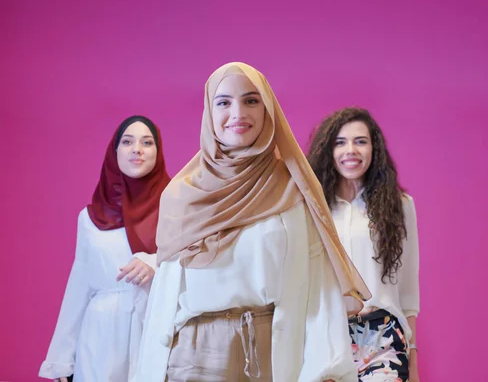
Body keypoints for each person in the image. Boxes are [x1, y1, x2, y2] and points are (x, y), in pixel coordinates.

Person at [135, 62, 371, 382]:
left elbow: (318, 286)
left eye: (251, 100)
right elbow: (164, 297)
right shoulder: (180, 195)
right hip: (187, 358)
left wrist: (325, 368)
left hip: (267, 355)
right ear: (209, 111)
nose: (238, 113)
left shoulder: (291, 188)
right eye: (223, 102)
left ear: (267, 109)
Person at [39, 116, 171, 382]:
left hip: (156, 326)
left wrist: (157, 262)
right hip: (101, 336)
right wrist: (62, 359)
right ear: (115, 152)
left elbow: (196, 263)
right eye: (127, 141)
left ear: (158, 153)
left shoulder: (177, 207)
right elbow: (79, 286)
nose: (137, 149)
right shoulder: (89, 219)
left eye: (147, 142)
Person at [307, 107, 421, 382]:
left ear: (374, 149)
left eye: (360, 141)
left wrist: (413, 357)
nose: (351, 150)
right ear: (328, 151)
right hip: (325, 335)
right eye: (340, 142)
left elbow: (407, 292)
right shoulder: (311, 208)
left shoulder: (399, 206)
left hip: (382, 337)